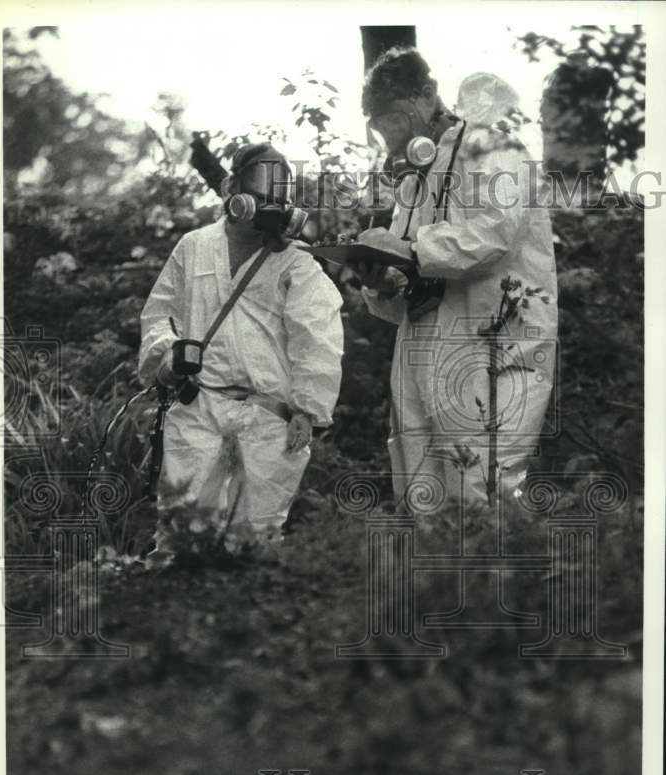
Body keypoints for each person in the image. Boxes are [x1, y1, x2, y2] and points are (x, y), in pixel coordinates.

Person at [357, 49, 558, 506]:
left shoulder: (494, 148)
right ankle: (437, 580)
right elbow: (404, 277)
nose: (386, 131)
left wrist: (410, 249)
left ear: (427, 96)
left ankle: (495, 577)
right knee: (420, 475)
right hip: (423, 349)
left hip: (495, 340)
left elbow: (495, 233)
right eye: (377, 122)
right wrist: (380, 281)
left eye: (392, 116)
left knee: (485, 479)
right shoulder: (413, 180)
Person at [138, 143, 344, 558]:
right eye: (259, 199)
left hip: (269, 418)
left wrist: (307, 408)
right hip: (198, 406)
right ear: (233, 189)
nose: (268, 211)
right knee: (180, 534)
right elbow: (159, 314)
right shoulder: (193, 246)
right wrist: (167, 357)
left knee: (255, 542)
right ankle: (174, 618)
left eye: (277, 202)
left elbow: (317, 337)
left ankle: (244, 620)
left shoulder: (297, 263)